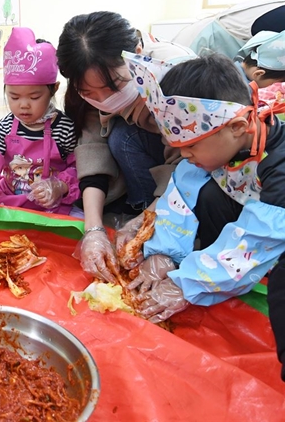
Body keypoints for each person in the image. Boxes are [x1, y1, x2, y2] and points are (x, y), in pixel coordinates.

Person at [122, 52, 285, 379]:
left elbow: (257, 239)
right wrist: (164, 254)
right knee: (203, 186)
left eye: (191, 146)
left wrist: (186, 284)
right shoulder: (223, 138)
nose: (183, 154)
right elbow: (182, 188)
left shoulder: (280, 167)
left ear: (238, 128)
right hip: (250, 194)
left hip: (276, 216)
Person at [56, 11, 195, 282]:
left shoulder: (175, 82)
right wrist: (94, 229)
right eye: (89, 93)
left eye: (115, 85)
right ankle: (142, 212)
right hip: (148, 157)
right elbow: (92, 149)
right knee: (120, 137)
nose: (103, 100)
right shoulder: (86, 88)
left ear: (138, 53)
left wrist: (149, 222)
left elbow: (189, 167)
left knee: (123, 137)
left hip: (190, 164)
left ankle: (150, 220)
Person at [0, 27, 80, 216]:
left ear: (53, 89)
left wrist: (59, 186)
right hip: (10, 201)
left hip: (52, 206)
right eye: (14, 97)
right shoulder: (2, 128)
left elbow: (77, 167)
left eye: (34, 97)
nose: (24, 105)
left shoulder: (64, 128)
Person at [236, 30, 285, 102]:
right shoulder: (241, 94)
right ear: (258, 74)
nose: (272, 86)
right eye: (273, 83)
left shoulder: (230, 67)